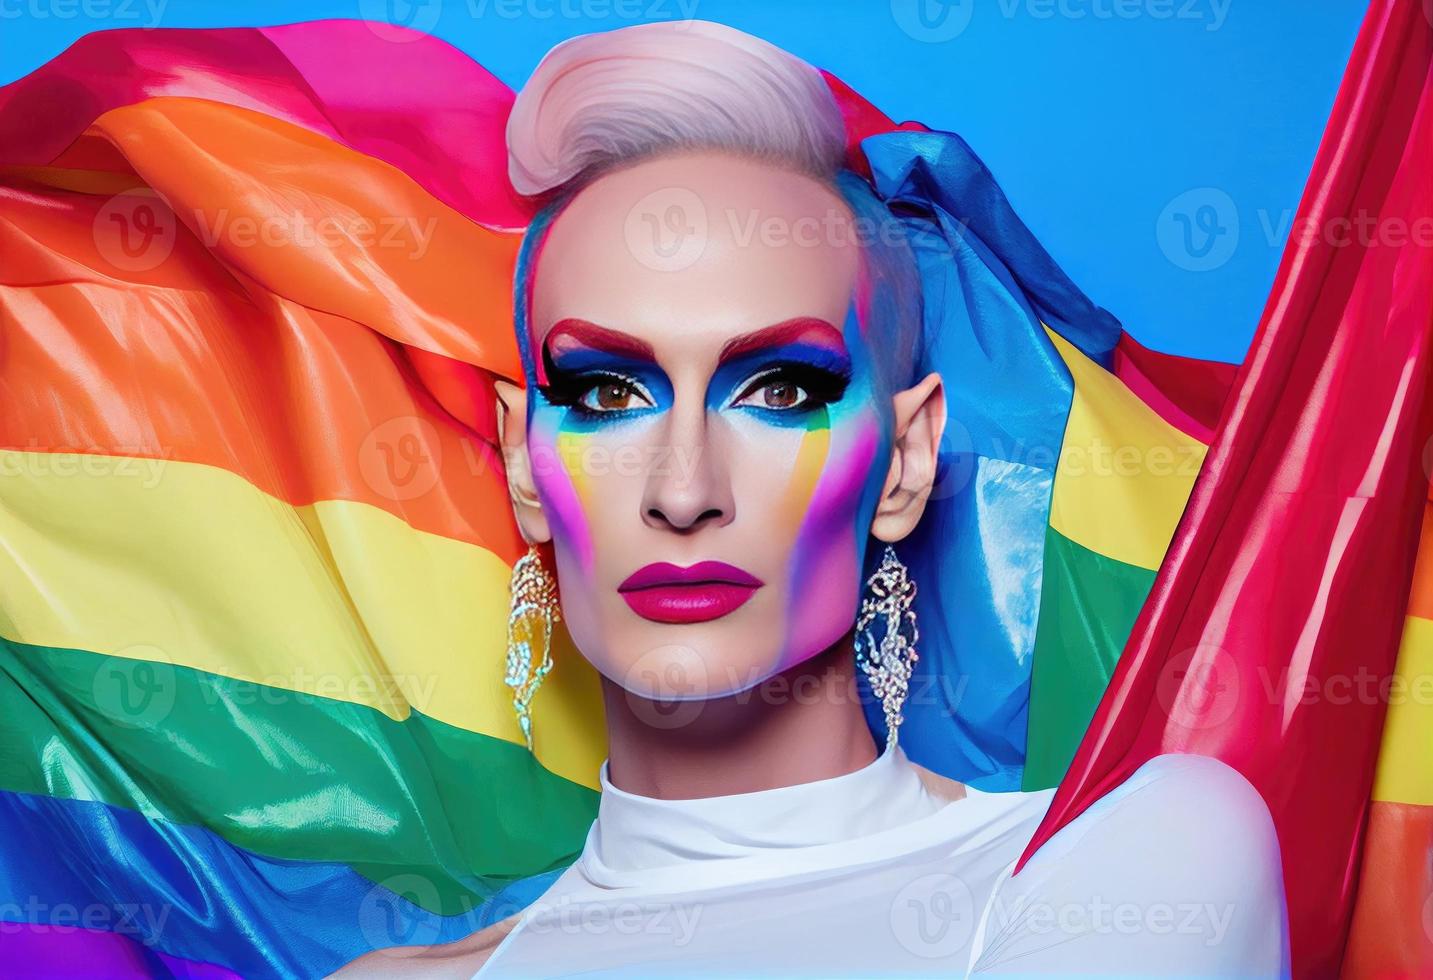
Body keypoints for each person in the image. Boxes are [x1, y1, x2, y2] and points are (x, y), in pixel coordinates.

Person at [334, 20, 1288, 979]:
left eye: (780, 391)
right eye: (607, 394)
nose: (683, 491)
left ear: (906, 462)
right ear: (524, 466)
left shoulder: (1133, 861)